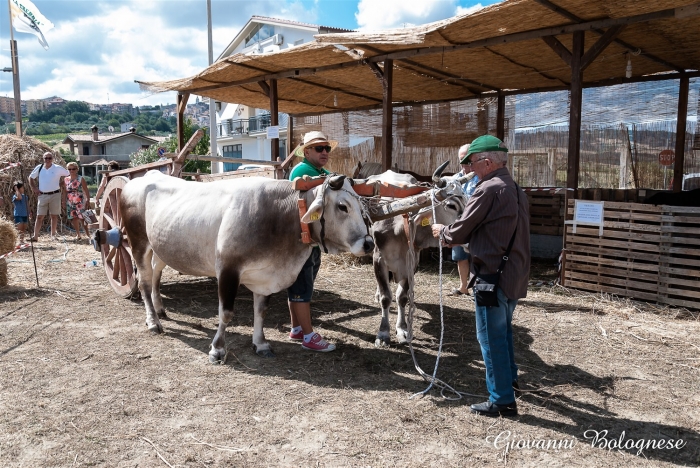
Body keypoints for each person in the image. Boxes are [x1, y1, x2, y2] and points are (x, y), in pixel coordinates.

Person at [431, 135, 530, 417]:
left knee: (490, 338)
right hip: (513, 275)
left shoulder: (487, 190)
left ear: (487, 162)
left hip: (491, 276)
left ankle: (501, 401)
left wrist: (443, 232)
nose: (469, 169)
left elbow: (460, 231)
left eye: (472, 163)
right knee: (504, 333)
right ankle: (509, 382)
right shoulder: (515, 189)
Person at [286, 131, 339, 352]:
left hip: (312, 239)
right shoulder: (303, 171)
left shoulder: (320, 171)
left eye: (326, 148)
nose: (324, 152)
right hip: (302, 239)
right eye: (319, 148)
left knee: (299, 287)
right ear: (306, 152)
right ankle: (308, 336)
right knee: (303, 288)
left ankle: (297, 329)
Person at [450, 143, 480, 296]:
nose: (464, 163)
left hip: (476, 224)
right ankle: (463, 287)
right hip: (459, 223)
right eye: (462, 159)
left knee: (476, 256)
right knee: (460, 256)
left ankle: (476, 287)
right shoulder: (455, 179)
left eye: (467, 159)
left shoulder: (481, 177)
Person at [28, 152, 70, 242]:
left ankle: (53, 235)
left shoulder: (57, 168)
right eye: (46, 158)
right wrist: (34, 188)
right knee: (39, 216)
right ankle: (35, 236)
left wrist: (61, 184)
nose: (47, 160)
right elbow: (31, 178)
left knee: (54, 216)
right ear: (43, 159)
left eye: (49, 158)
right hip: (42, 195)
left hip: (55, 194)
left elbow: (69, 175)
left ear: (53, 158)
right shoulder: (39, 168)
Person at [63, 162, 91, 241]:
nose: (71, 170)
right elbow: (65, 191)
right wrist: (63, 201)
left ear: (77, 169)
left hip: (79, 200)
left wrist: (88, 199)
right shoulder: (66, 179)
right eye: (69, 169)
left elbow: (86, 190)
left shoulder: (80, 178)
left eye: (73, 169)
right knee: (74, 218)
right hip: (70, 201)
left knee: (82, 218)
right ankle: (78, 234)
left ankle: (87, 234)